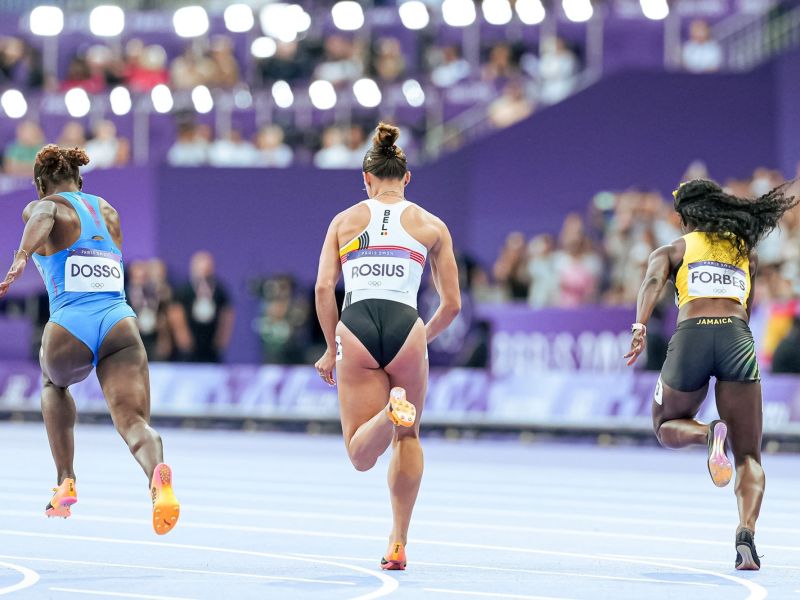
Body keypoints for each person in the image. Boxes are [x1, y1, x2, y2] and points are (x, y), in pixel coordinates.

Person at [0, 145, 180, 535]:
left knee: (53, 383)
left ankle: (65, 480)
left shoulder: (45, 205)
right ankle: (157, 477)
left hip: (71, 323)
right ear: (80, 181)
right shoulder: (108, 211)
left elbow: (45, 213)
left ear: (38, 185)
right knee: (134, 422)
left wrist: (21, 256)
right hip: (120, 322)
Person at [625, 178, 798, 570]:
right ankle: (746, 535)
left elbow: (652, 281)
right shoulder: (744, 252)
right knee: (750, 453)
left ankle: (707, 433)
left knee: (665, 423)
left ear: (687, 217)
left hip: (692, 336)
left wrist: (639, 327)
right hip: (737, 337)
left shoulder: (674, 249)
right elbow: (748, 308)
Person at [314, 123, 461, 570]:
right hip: (405, 325)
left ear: (366, 179)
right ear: (407, 178)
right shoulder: (431, 225)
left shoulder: (344, 221)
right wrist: (419, 339)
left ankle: (385, 411)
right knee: (409, 435)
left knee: (360, 455)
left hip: (355, 326)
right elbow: (452, 305)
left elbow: (323, 288)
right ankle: (398, 540)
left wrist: (328, 346)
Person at [168, 251, 234, 363]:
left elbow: (227, 313)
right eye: (201, 267)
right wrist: (182, 335)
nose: (204, 270)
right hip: (191, 339)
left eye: (208, 267)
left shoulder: (219, 289)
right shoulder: (185, 289)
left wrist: (222, 338)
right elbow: (175, 312)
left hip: (211, 340)